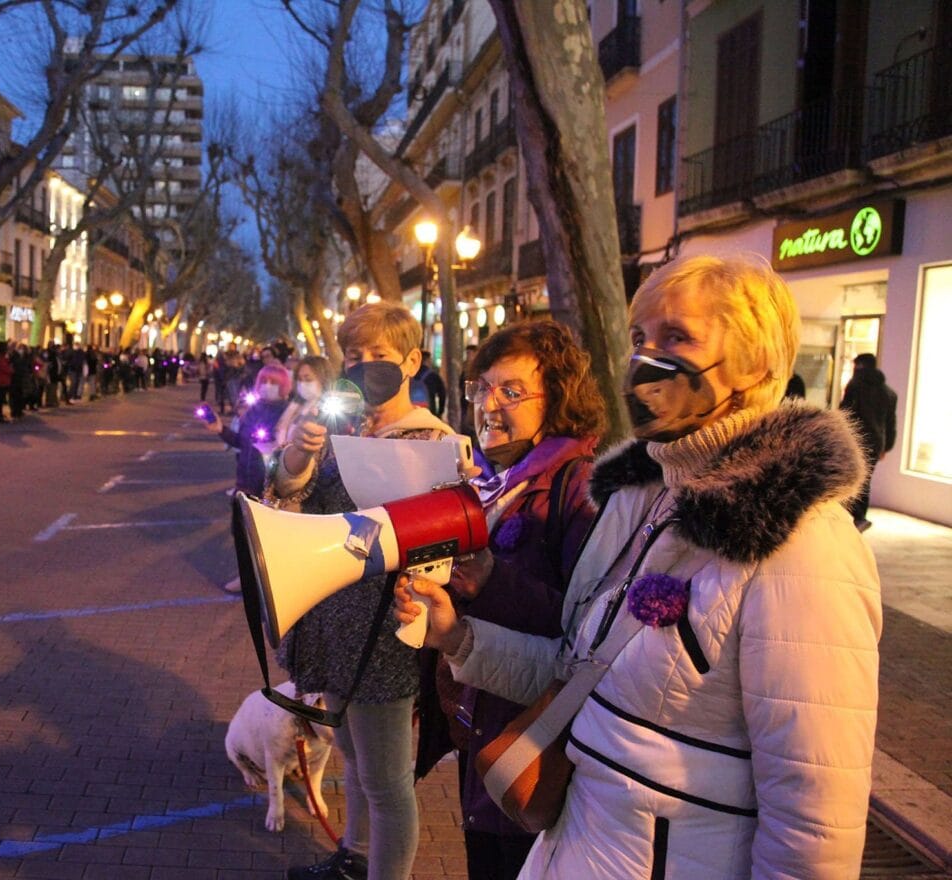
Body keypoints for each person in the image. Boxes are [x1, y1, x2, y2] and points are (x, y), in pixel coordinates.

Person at [399, 255, 881, 880]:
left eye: (676, 338)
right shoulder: (638, 504)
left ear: (754, 365)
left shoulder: (805, 544)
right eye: (639, 339)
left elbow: (814, 822)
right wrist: (458, 637)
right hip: (576, 845)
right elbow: (578, 673)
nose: (647, 359)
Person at [413, 320, 606, 879]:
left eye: (511, 391)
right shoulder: (495, 482)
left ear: (560, 397)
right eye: (482, 389)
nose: (489, 405)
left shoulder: (580, 486)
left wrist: (491, 580)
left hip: (534, 737)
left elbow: (584, 625)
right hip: (483, 725)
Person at [273, 301, 456, 880]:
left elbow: (441, 547)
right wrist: (298, 457)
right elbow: (290, 504)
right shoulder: (342, 429)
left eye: (379, 355)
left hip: (384, 633)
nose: (365, 365)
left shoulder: (431, 441)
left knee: (386, 780)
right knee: (352, 759)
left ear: (412, 361)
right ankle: (353, 856)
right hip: (335, 625)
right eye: (354, 357)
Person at [208, 363, 292, 594]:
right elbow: (240, 443)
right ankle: (246, 577)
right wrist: (219, 429)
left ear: (284, 386)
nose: (268, 386)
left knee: (265, 538)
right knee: (241, 534)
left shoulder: (287, 413)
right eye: (264, 381)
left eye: (274, 383)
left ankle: (266, 581)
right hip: (243, 483)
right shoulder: (253, 411)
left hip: (268, 485)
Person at [840, 352, 898, 532]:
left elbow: (846, 414)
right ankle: (860, 516)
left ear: (859, 366)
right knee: (864, 480)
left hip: (856, 440)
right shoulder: (888, 392)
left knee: (849, 479)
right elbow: (890, 422)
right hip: (876, 443)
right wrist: (886, 446)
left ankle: (852, 516)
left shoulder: (855, 386)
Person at [274, 355, 332, 446]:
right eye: (299, 379)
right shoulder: (296, 405)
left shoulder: (328, 411)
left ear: (323, 379)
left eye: (308, 379)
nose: (302, 384)